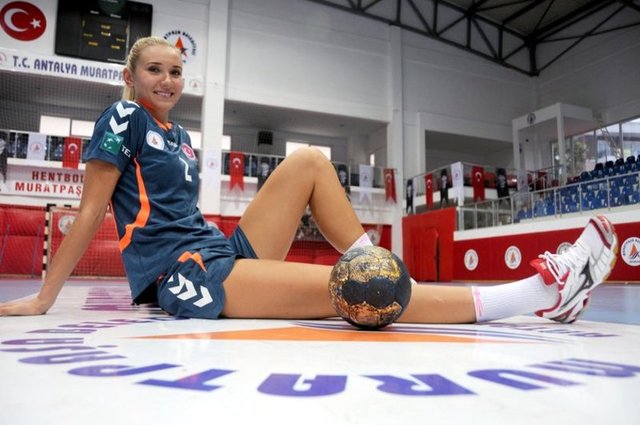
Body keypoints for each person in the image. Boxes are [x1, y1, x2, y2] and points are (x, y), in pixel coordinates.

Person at [0, 36, 618, 325]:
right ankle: (538, 293)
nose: (167, 80)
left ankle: (379, 263)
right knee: (354, 291)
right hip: (185, 273)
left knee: (311, 163)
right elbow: (90, 211)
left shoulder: (181, 136)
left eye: (176, 71)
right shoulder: (123, 118)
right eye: (155, 70)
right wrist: (45, 297)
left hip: (219, 249)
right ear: (130, 76)